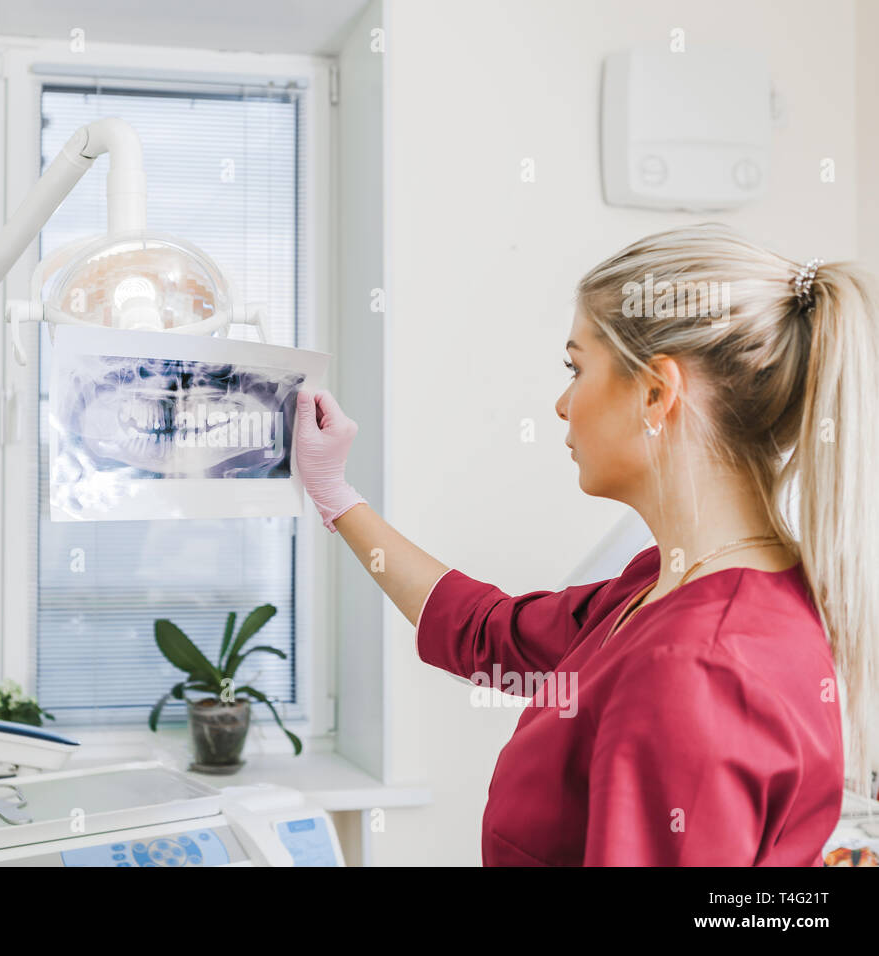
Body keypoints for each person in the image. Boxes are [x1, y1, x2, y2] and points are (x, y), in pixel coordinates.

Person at [295, 223, 878, 865]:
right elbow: (493, 634)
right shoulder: (670, 582)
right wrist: (334, 494)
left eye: (576, 368)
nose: (561, 404)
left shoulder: (695, 664)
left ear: (657, 393)